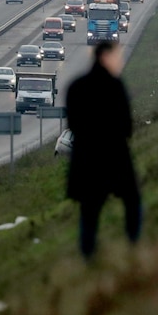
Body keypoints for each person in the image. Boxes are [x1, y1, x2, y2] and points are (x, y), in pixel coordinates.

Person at [65, 40, 141, 260]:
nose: (120, 61)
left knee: (89, 211)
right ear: (105, 57)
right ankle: (133, 245)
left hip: (86, 159)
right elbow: (127, 125)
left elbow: (72, 124)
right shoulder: (115, 86)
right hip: (115, 157)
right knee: (132, 200)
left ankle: (87, 255)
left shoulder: (76, 86)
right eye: (117, 57)